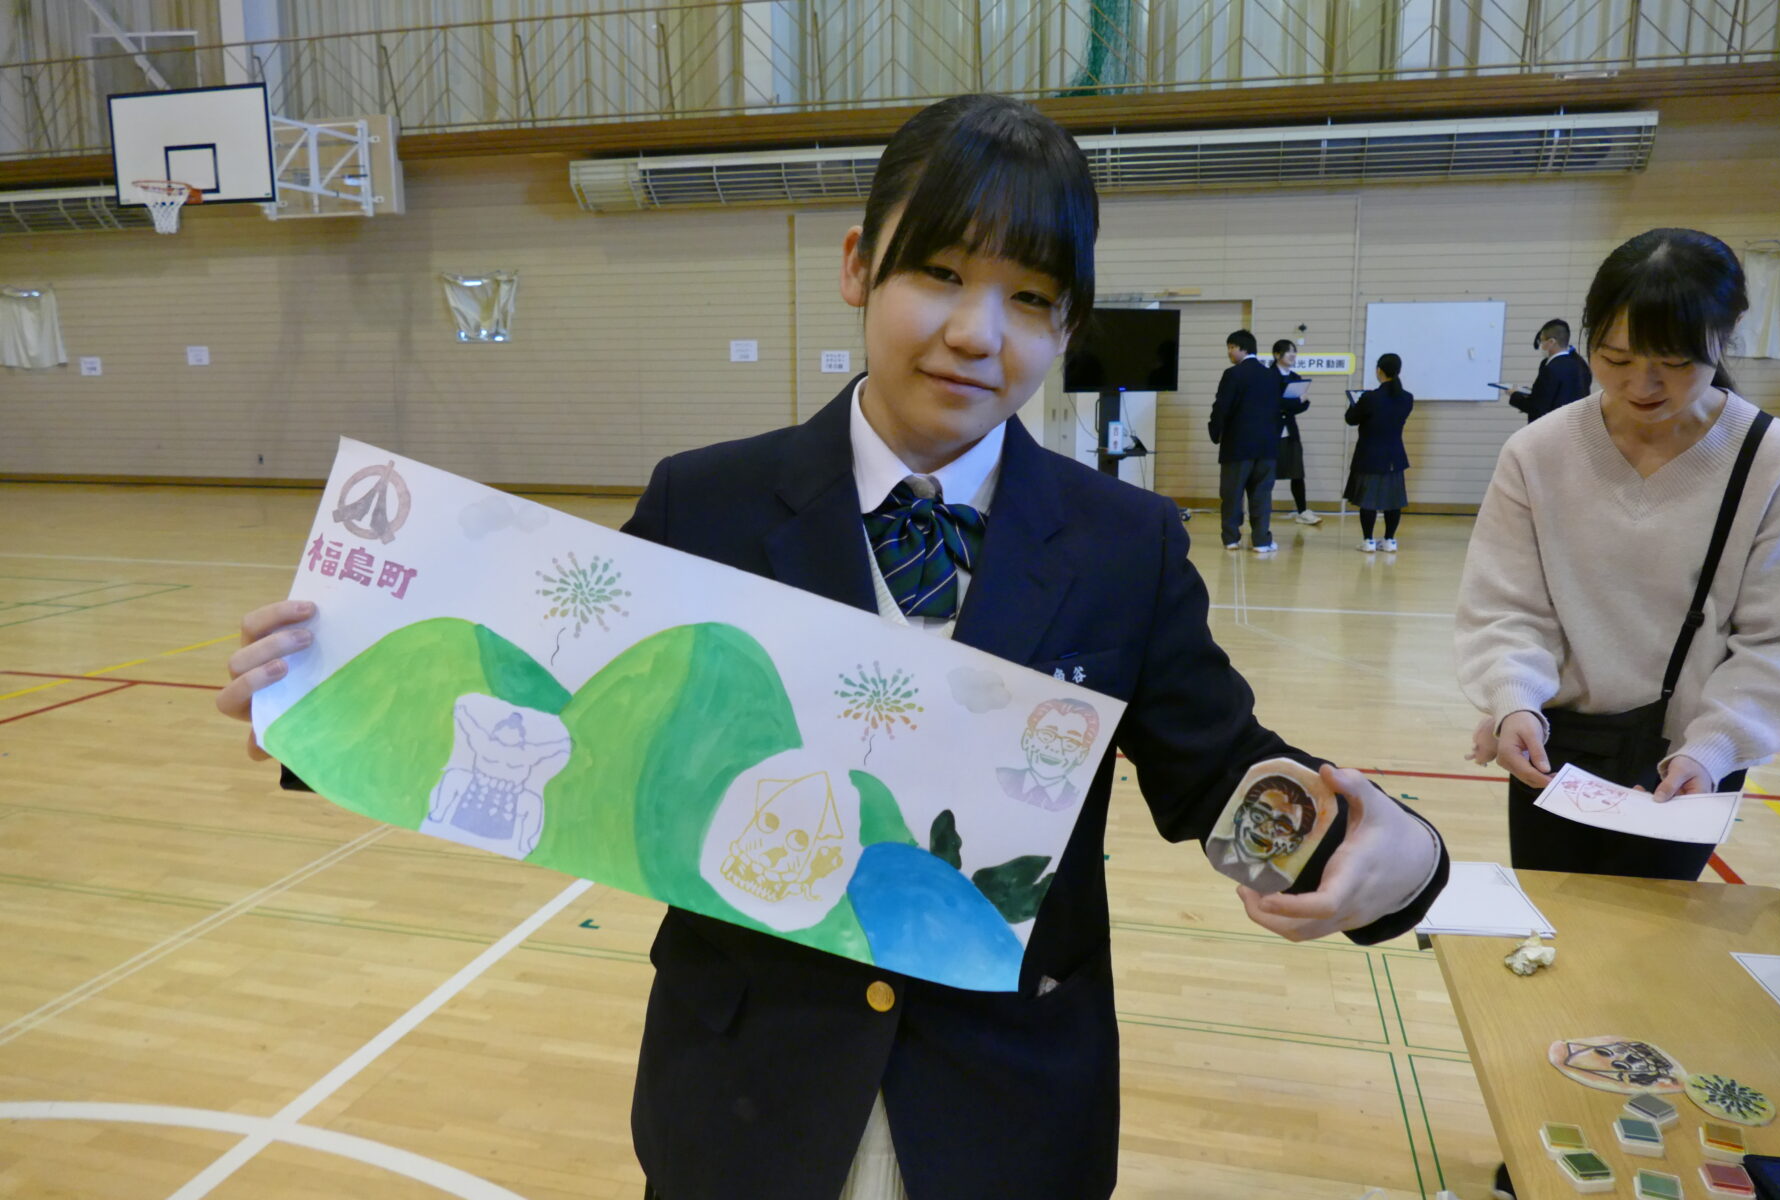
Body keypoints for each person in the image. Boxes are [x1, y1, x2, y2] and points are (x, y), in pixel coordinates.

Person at [217, 94, 1449, 1200]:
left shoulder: (1121, 545)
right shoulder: (706, 503)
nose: (978, 333)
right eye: (941, 275)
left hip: (1011, 1110)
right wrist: (323, 683)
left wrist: (1393, 847)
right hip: (746, 1091)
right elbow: (568, 702)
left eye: (1029, 299)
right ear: (860, 266)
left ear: (1068, 325)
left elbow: (1215, 772)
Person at [1457, 227, 1780, 887]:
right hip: (1556, 746)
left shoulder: (1775, 462)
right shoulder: (1539, 452)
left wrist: (1714, 747)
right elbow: (1507, 603)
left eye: (1672, 363)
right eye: (1614, 359)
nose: (1641, 385)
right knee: (1554, 930)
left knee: (1650, 948)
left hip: (1689, 758)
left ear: (1723, 339)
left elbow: (1779, 640)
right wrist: (1513, 698)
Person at [1208, 329, 1286, 552]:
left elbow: (1221, 407)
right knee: (1262, 495)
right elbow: (1278, 409)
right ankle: (1262, 540)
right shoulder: (1272, 375)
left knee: (1232, 494)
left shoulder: (1233, 375)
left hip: (1238, 445)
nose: (1229, 352)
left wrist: (1215, 432)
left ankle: (1232, 538)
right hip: (1267, 447)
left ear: (1243, 349)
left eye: (1232, 347)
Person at [1343, 354, 1413, 553]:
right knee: (1393, 500)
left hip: (1370, 454)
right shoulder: (1407, 398)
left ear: (1379, 370)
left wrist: (1355, 403)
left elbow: (1351, 419)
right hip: (1394, 454)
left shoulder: (1370, 397)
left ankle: (1368, 541)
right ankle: (1390, 540)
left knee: (1369, 500)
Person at [1271, 339, 1321, 524]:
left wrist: (1295, 403)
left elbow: (1304, 404)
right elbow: (1276, 403)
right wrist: (1295, 402)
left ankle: (1302, 511)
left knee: (1297, 472)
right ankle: (1260, 510)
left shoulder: (1296, 377)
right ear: (1277, 354)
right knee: (1267, 474)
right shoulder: (1269, 376)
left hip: (1290, 431)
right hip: (1271, 432)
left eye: (1294, 352)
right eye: (1288, 352)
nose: (1293, 355)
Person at [1508, 318, 1594, 423]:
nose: (1541, 345)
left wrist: (1515, 395)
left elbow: (1538, 408)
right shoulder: (1581, 364)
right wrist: (1534, 394)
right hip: (1576, 426)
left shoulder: (1550, 369)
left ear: (1551, 342)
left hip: (1553, 429)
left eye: (1542, 340)